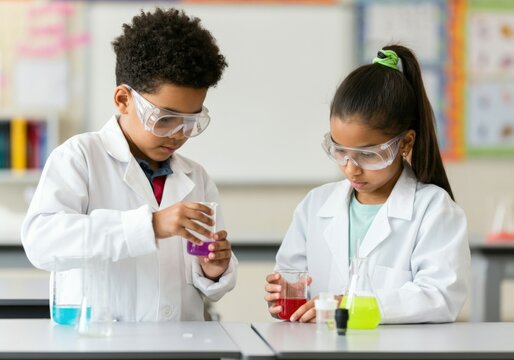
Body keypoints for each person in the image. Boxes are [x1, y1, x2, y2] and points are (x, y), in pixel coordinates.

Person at [22, 8, 237, 321]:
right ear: (123, 99)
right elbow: (43, 242)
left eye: (190, 122)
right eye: (165, 119)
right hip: (101, 344)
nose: (178, 134)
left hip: (181, 343)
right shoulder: (79, 158)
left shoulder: (196, 177)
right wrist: (149, 225)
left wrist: (214, 270)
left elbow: (204, 284)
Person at [264, 45, 470, 324]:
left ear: (405, 143)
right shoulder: (316, 205)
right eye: (340, 151)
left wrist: (354, 306)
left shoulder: (433, 209)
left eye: (368, 154)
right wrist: (282, 294)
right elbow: (292, 275)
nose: (352, 167)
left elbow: (440, 296)